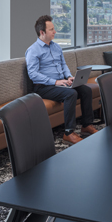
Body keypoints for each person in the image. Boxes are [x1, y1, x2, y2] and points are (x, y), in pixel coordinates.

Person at [25, 15, 97, 145]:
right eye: (51, 29)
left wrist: (69, 77)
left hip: (60, 83)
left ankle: (86, 125)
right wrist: (55, 82)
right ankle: (68, 133)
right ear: (42, 32)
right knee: (71, 94)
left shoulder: (56, 47)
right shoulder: (33, 50)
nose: (55, 31)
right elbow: (33, 74)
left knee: (86, 90)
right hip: (43, 87)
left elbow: (63, 65)